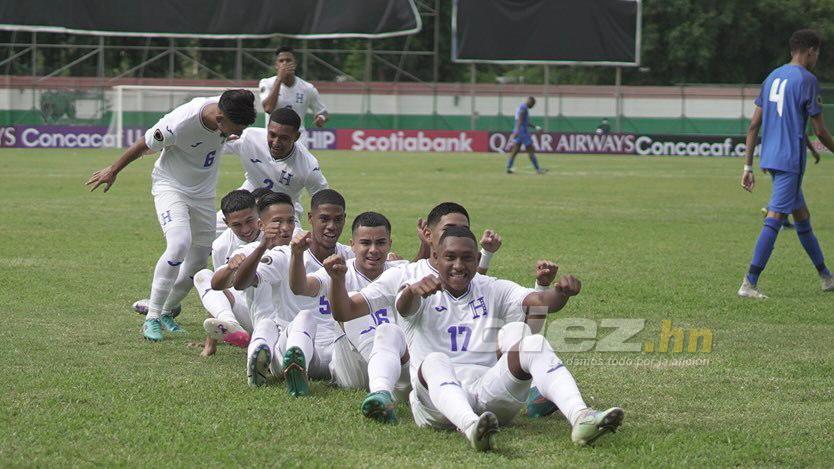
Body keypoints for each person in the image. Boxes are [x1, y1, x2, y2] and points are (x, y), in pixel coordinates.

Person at [395, 226, 623, 450]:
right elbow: (404, 307)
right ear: (435, 256)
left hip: (489, 395)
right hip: (435, 406)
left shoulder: (493, 287)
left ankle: (581, 416)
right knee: (435, 361)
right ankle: (471, 426)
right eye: (450, 257)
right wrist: (412, 292)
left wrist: (561, 294)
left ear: (477, 259)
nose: (458, 265)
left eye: (466, 258)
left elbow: (540, 302)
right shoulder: (417, 288)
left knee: (534, 343)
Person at [86, 89, 256, 341]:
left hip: (203, 193)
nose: (237, 134)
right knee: (178, 244)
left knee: (198, 262)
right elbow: (144, 144)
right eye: (235, 129)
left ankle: (166, 311)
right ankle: (151, 318)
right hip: (171, 186)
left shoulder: (230, 105)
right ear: (219, 120)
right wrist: (113, 170)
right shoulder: (179, 123)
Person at [739, 29, 834, 298]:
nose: (817, 58)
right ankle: (749, 282)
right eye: (818, 53)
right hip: (790, 160)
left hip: (771, 157)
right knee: (775, 218)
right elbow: (821, 131)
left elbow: (754, 125)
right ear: (811, 50)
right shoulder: (807, 80)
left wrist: (747, 167)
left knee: (802, 218)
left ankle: (826, 277)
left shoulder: (772, 76)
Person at [232, 189, 353, 391]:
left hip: (335, 351)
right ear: (310, 218)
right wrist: (262, 246)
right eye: (324, 219)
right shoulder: (285, 254)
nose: (331, 226)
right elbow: (241, 283)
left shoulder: (350, 256)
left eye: (338, 220)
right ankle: (291, 369)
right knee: (300, 318)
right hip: (295, 345)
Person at [288, 212, 411, 410]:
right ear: (352, 245)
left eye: (380, 243)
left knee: (390, 330)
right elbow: (300, 287)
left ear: (390, 243)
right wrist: (296, 254)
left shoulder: (402, 271)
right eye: (365, 243)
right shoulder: (338, 270)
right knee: (350, 304)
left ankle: (383, 388)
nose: (373, 250)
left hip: (393, 365)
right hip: (352, 370)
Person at [221, 108, 329, 224]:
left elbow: (324, 199)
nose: (276, 142)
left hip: (284, 210)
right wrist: (220, 139)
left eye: (284, 138)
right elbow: (214, 147)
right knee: (210, 227)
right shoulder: (249, 138)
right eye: (272, 135)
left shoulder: (308, 167)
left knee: (291, 241)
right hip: (248, 200)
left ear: (296, 137)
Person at [192, 189, 262, 357]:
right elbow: (217, 292)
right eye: (237, 225)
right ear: (226, 222)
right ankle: (230, 325)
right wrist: (210, 345)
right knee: (203, 276)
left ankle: (258, 339)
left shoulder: (275, 235)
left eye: (249, 221)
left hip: (274, 315)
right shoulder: (221, 245)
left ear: (258, 212)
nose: (245, 230)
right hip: (246, 313)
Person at [259, 46, 328, 131]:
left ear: (295, 64)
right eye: (281, 61)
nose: (284, 64)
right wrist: (279, 79)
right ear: (276, 65)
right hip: (273, 138)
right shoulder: (267, 83)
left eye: (288, 60)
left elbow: (323, 112)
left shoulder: (308, 88)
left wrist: (321, 118)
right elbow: (268, 108)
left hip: (299, 138)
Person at [506, 96, 546, 174]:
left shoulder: (522, 107)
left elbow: (524, 121)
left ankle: (508, 167)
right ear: (530, 102)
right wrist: (517, 131)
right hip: (522, 131)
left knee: (515, 150)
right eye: (533, 104)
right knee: (530, 149)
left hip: (520, 130)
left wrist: (535, 127)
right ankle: (538, 169)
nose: (533, 106)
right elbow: (520, 120)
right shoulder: (523, 108)